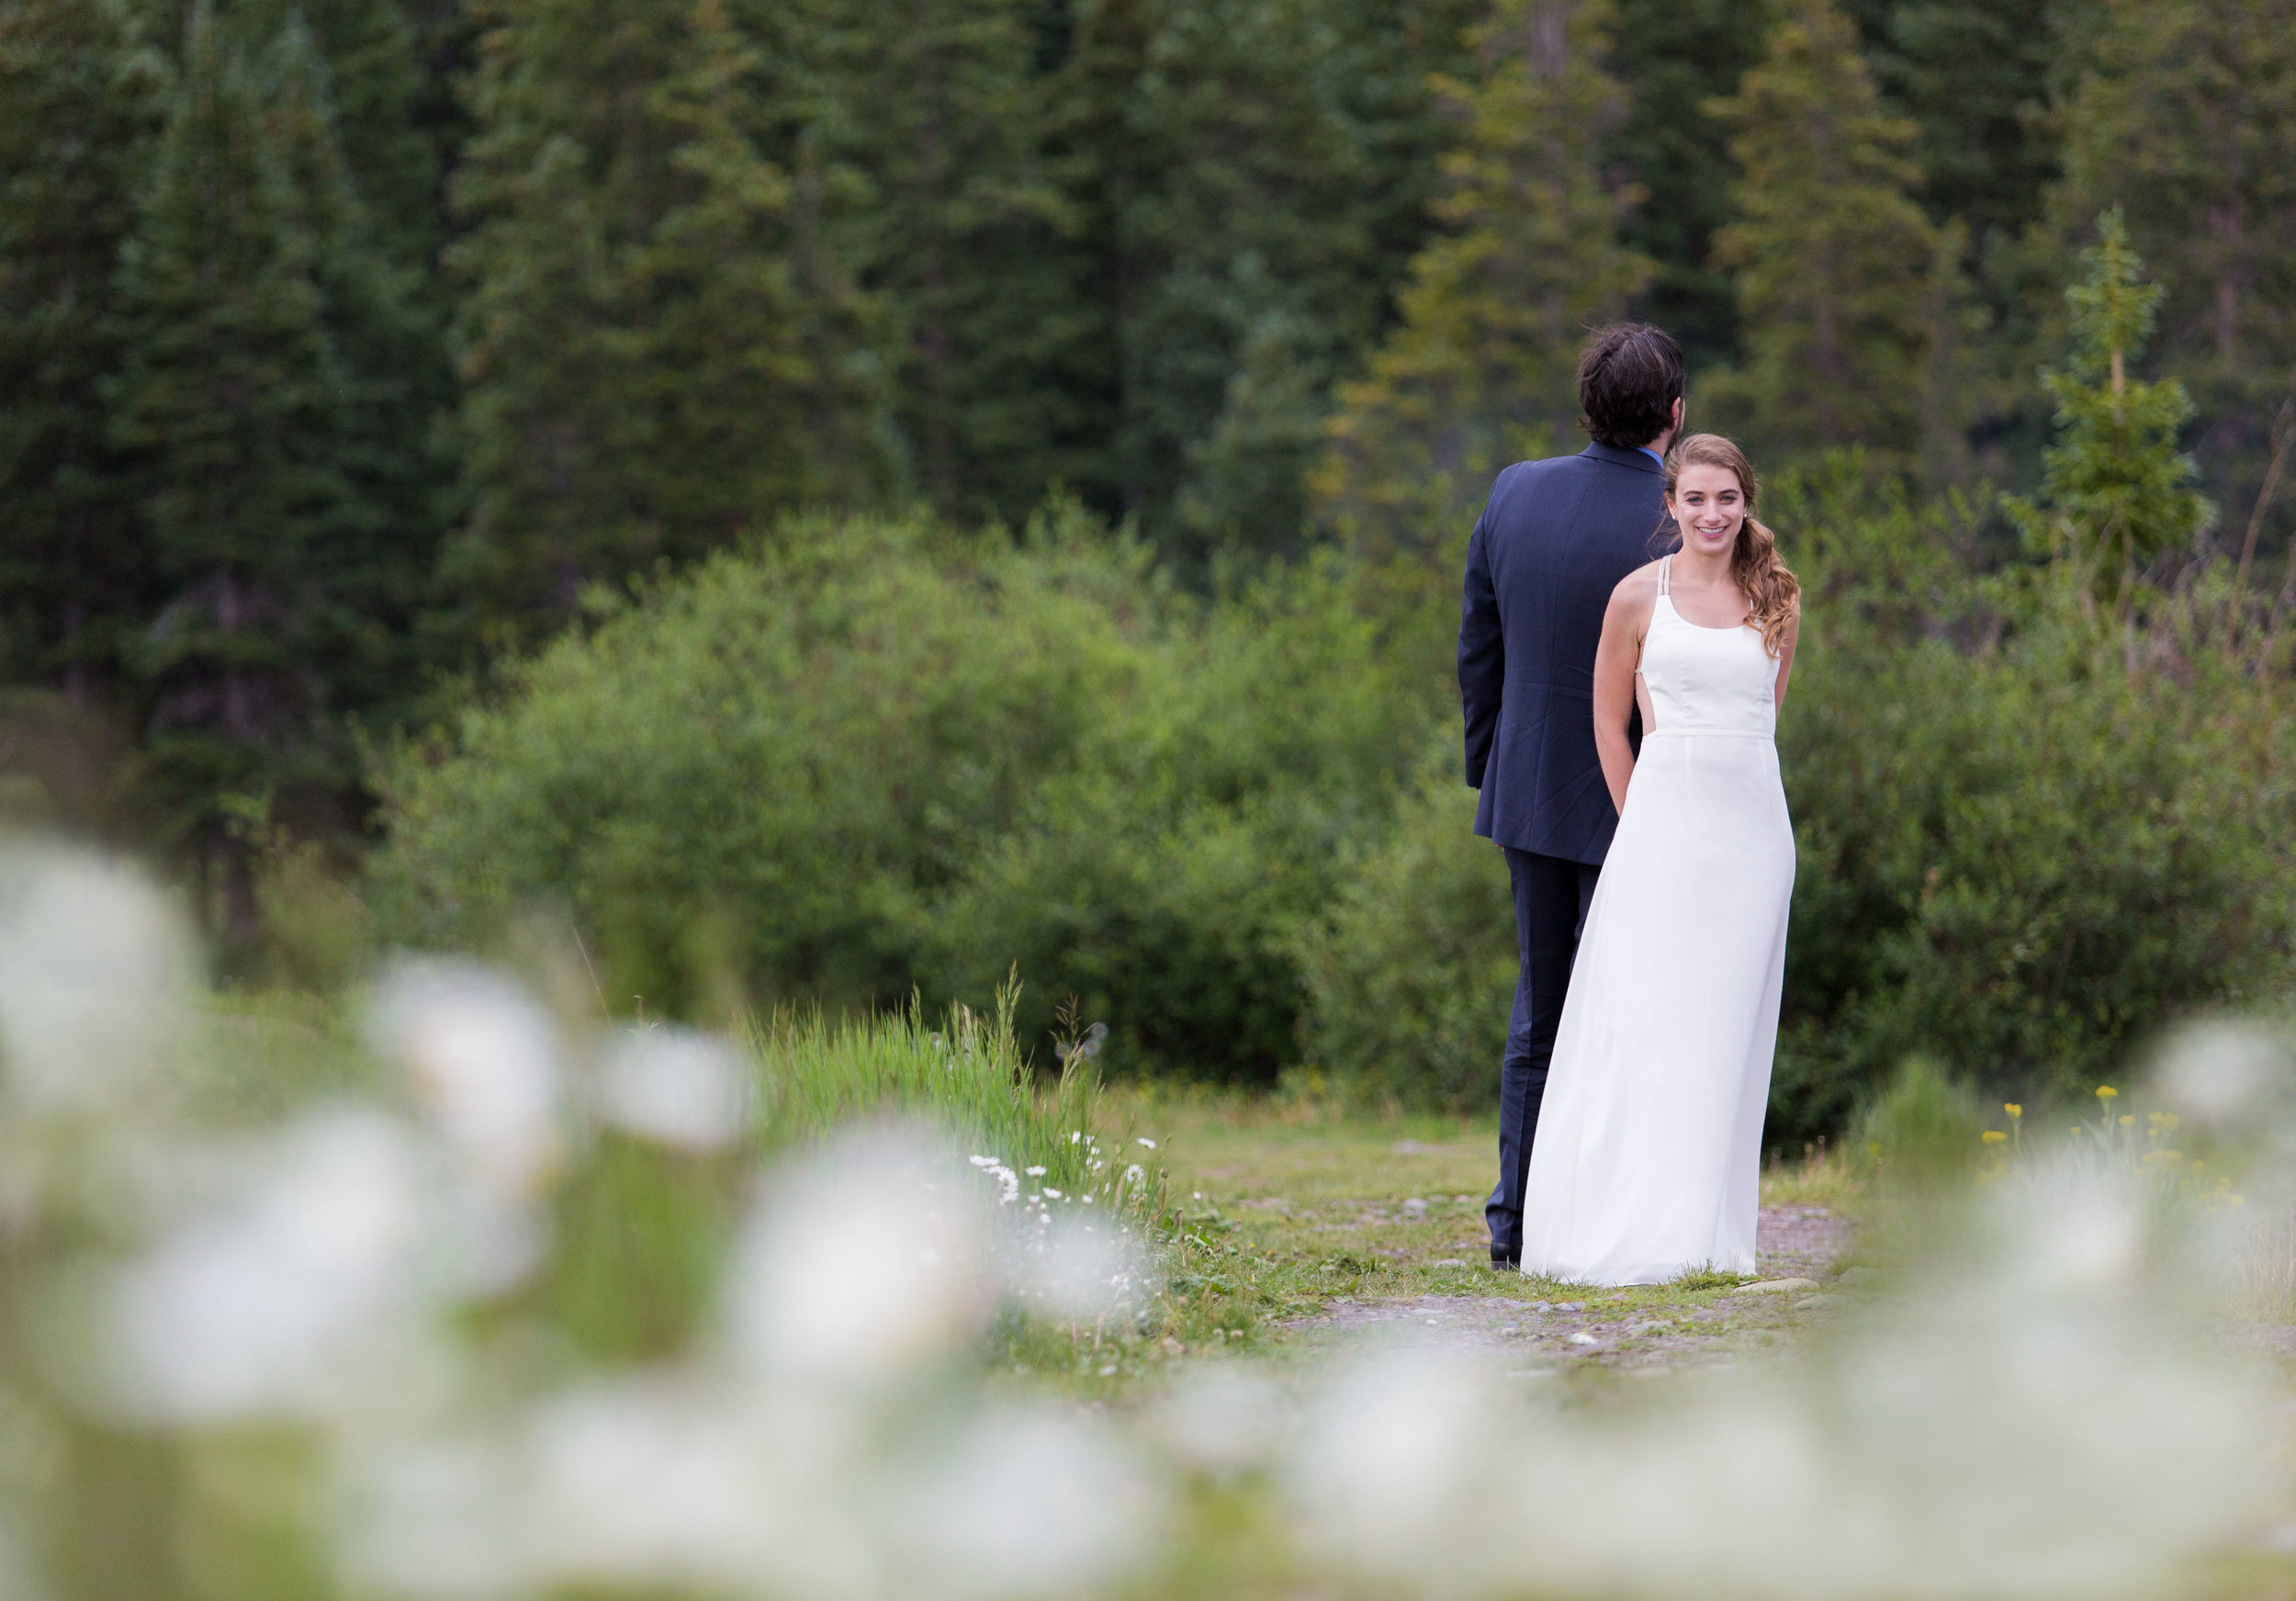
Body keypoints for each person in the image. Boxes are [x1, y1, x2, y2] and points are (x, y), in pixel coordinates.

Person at [1516, 433, 1799, 1285]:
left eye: (1728, 498)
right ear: (1670, 505)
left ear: (1747, 501)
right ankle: (1628, 1222)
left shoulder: (1778, 596)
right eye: (1696, 498)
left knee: (1725, 1035)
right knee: (1649, 1024)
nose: (1712, 514)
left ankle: (1706, 1234)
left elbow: (1762, 719)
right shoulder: (1638, 597)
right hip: (1661, 826)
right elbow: (1609, 722)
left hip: (1752, 838)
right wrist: (1640, 820)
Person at [1458, 323, 1684, 1271]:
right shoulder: (1684, 523)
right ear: (1674, 416)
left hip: (1530, 785)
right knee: (1632, 1015)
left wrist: (1491, 764)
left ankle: (1515, 1225)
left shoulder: (1515, 491)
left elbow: (1479, 646)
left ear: (1585, 408)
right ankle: (1606, 1220)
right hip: (1645, 798)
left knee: (1539, 1013)